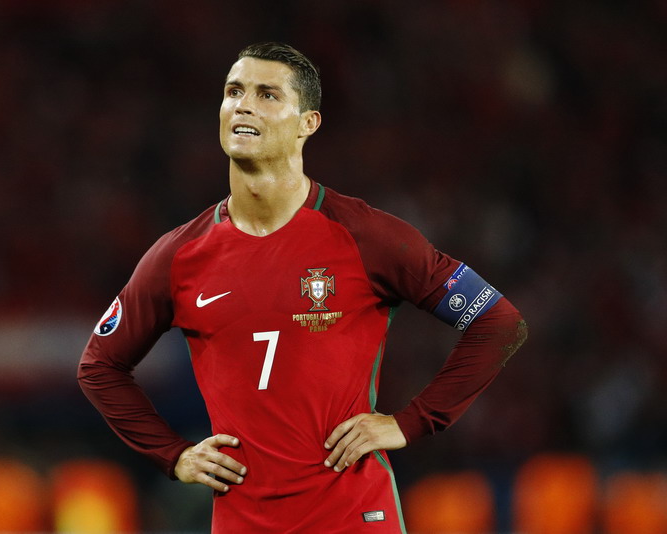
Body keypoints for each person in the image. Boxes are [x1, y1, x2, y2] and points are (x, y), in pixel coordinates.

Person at [78, 42, 528, 533]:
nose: (244, 104)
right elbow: (100, 366)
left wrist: (411, 422)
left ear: (307, 123)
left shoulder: (367, 236)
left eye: (267, 94)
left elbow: (498, 322)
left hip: (352, 516)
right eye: (234, 91)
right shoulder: (179, 255)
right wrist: (174, 455)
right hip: (243, 521)